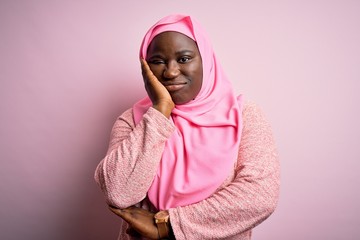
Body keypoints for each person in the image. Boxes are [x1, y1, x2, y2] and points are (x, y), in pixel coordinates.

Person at [94, 14, 280, 240]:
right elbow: (118, 192)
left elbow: (260, 196)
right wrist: (160, 111)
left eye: (183, 59)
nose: (170, 72)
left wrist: (167, 225)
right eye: (157, 61)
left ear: (206, 61)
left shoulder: (244, 116)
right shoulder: (133, 121)